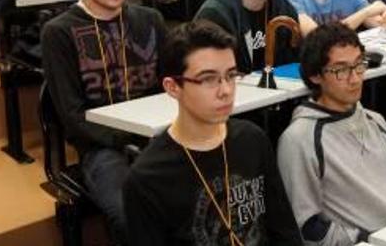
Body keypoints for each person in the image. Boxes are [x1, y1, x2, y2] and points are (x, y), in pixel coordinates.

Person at [123, 20, 303, 246]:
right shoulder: (148, 178)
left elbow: (284, 229)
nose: (226, 91)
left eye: (231, 75)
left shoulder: (252, 139)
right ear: (173, 87)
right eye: (208, 79)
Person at [42, 0, 170, 244]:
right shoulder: (59, 31)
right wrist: (126, 138)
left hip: (157, 134)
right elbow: (72, 115)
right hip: (100, 147)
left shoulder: (150, 20)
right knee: (131, 213)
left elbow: (171, 84)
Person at [277, 23, 386, 244]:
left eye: (359, 65)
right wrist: (367, 239)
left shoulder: (376, 120)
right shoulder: (299, 139)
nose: (355, 78)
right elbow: (308, 227)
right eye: (341, 70)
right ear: (315, 75)